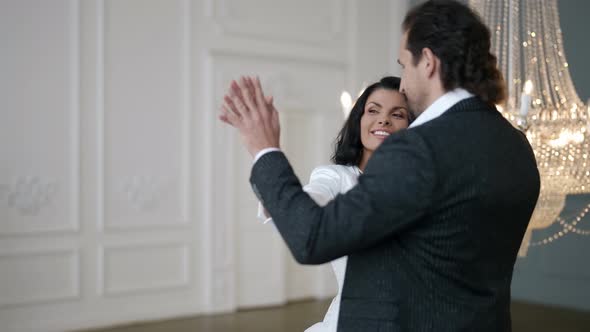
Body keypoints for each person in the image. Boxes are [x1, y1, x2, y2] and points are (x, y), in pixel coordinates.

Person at [220, 1, 541, 331]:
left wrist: (265, 148)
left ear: (428, 62)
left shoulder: (419, 148)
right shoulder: (516, 145)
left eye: (404, 65)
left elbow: (312, 238)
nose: (402, 85)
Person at [258, 77, 412, 332]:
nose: (384, 119)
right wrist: (268, 156)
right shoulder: (337, 178)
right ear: (358, 120)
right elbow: (311, 200)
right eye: (373, 110)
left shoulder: (422, 185)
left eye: (398, 114)